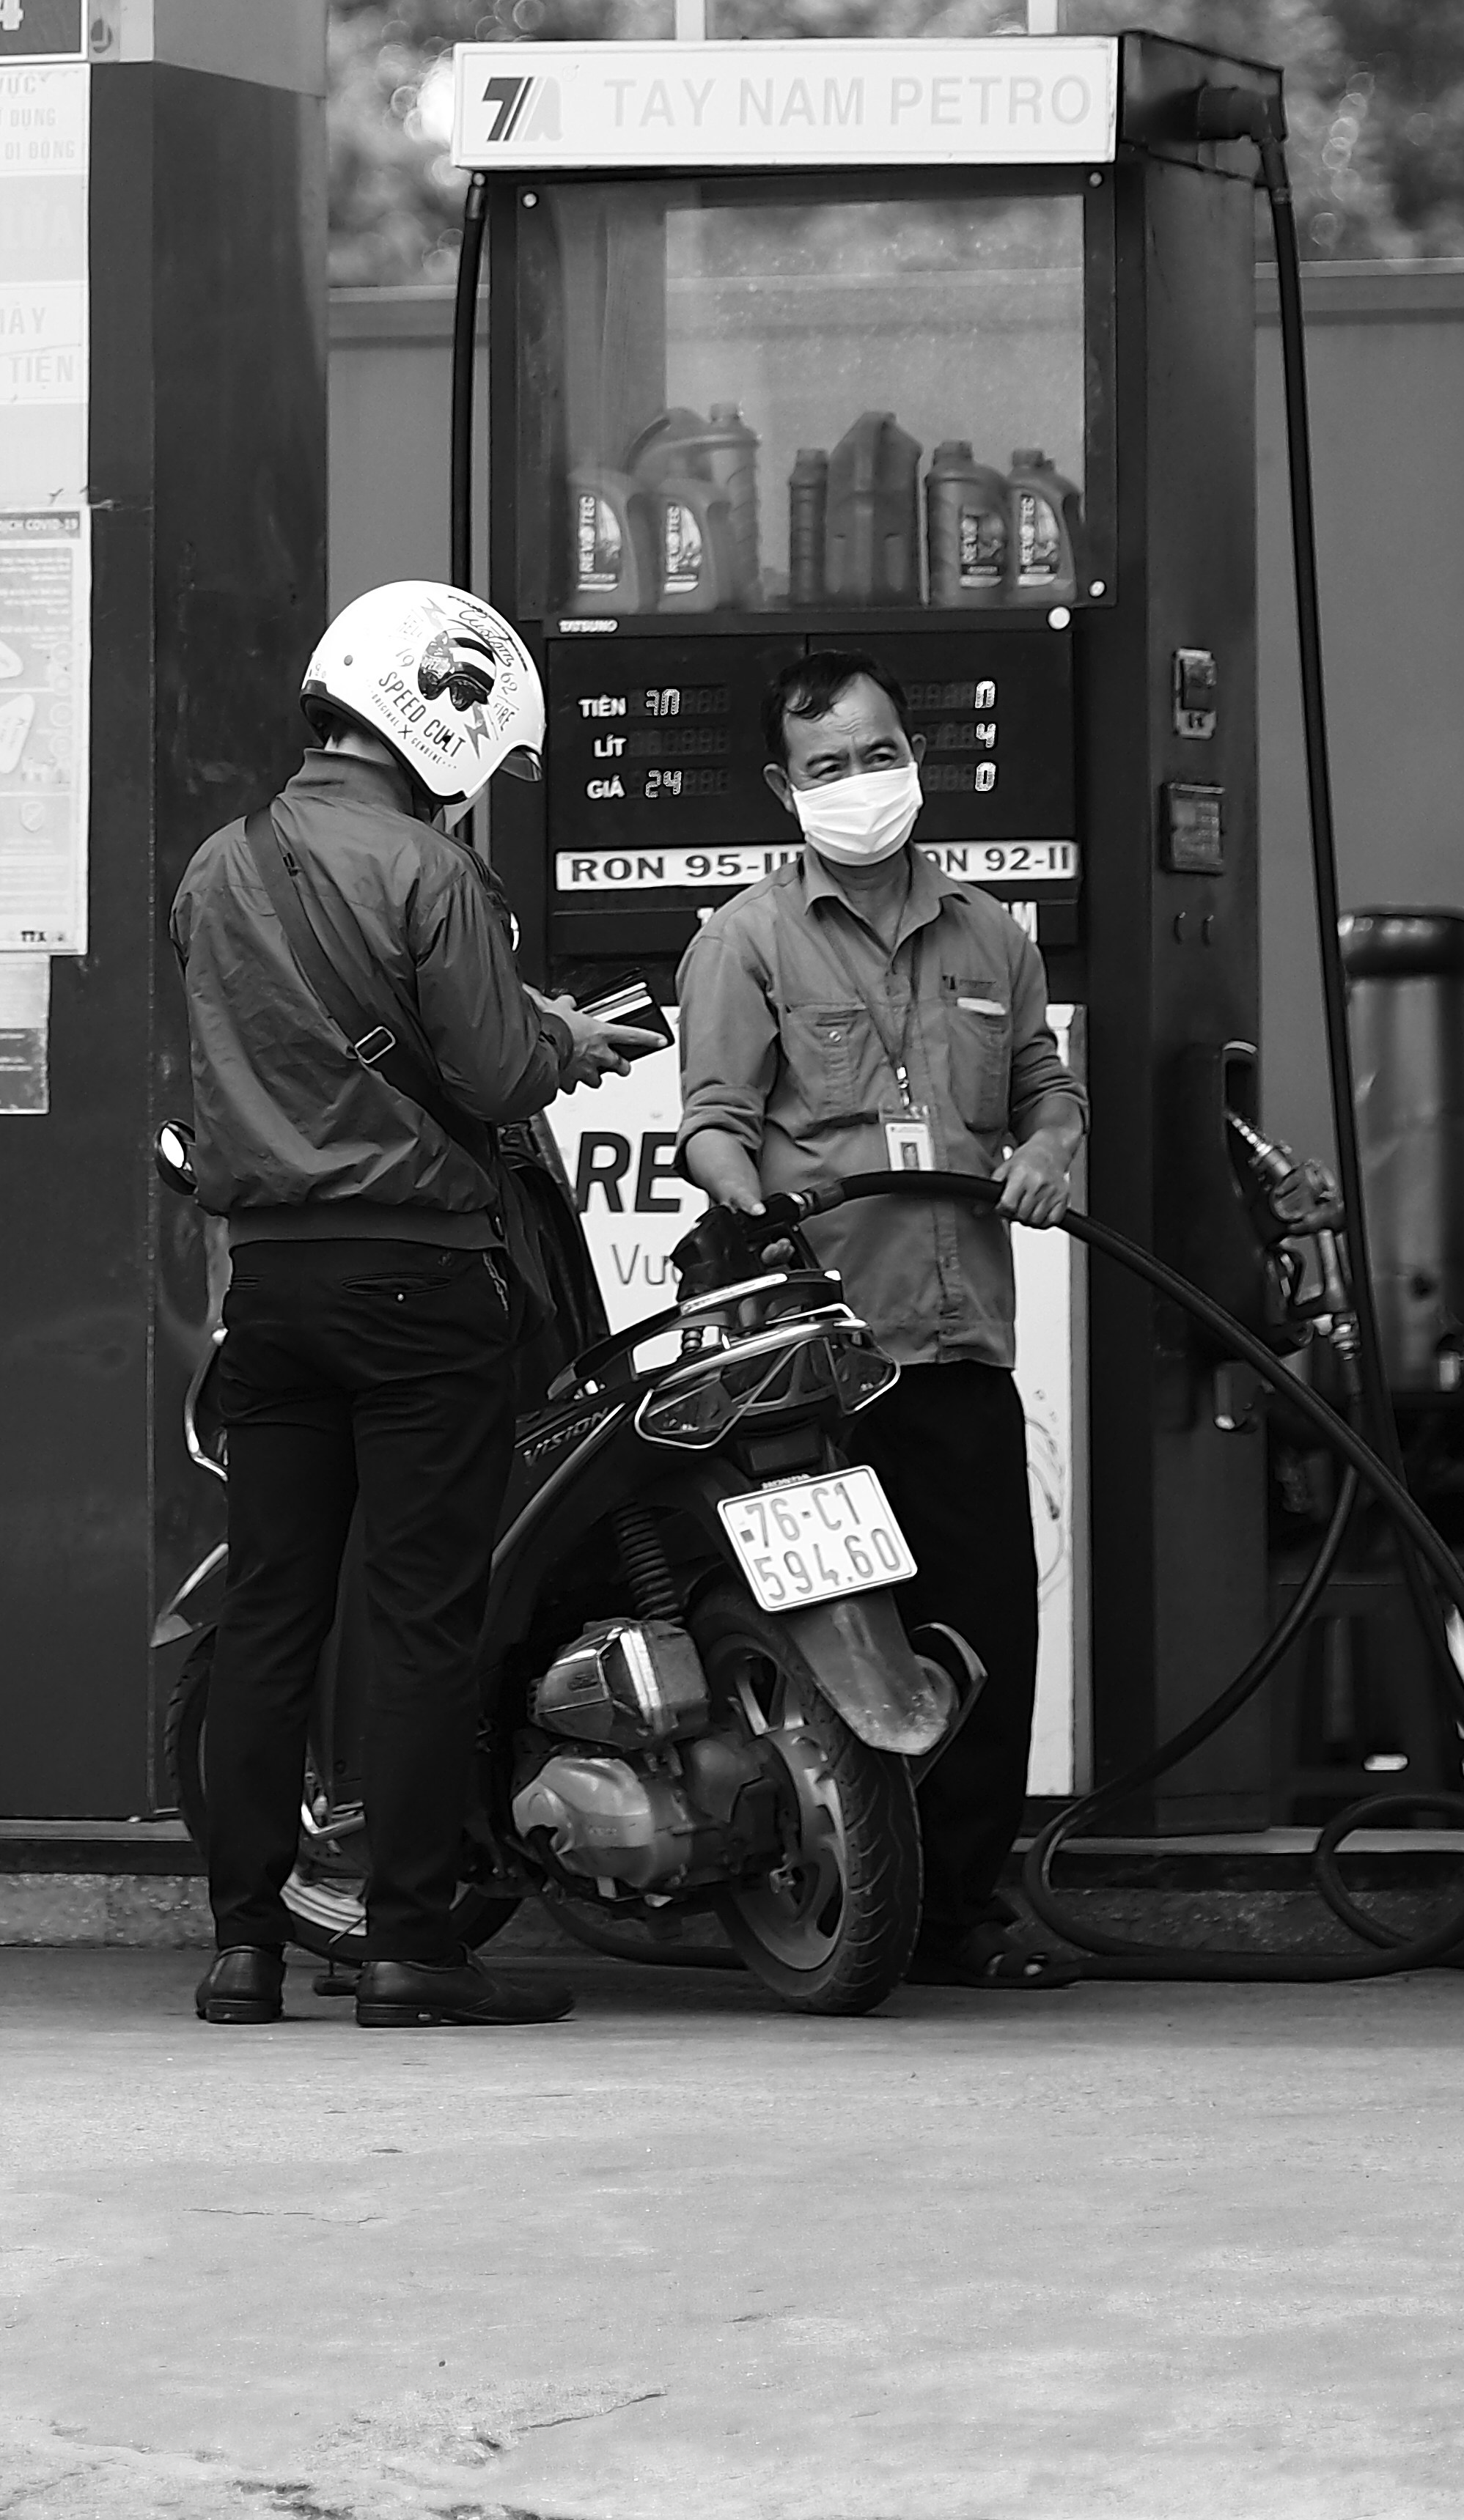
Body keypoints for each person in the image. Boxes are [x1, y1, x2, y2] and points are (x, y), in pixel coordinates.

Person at [172, 581, 647, 2032]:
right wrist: (566, 1034)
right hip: (421, 1279)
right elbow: (497, 1076)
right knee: (425, 1617)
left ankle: (244, 1947)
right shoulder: (432, 877)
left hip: (271, 1287)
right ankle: (410, 1948)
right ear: (432, 727)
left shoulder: (216, 866)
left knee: (269, 1615)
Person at [670, 650, 1081, 1990]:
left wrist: (1052, 1143)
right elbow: (715, 1126)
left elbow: (1042, 1086)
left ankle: (963, 1912)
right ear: (788, 786)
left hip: (954, 1341)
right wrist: (758, 1211)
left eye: (879, 751)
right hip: (821, 1362)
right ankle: (839, 1895)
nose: (862, 783)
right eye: (829, 764)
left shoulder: (992, 934)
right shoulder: (744, 938)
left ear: (919, 754)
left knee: (978, 1635)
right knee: (840, 1640)